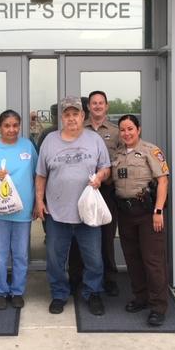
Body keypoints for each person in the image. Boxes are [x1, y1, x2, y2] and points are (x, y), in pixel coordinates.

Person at [34, 96, 111, 316]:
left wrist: (100, 176)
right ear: (61, 118)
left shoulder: (94, 139)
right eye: (66, 114)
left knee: (94, 258)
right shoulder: (49, 141)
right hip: (56, 214)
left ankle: (93, 292)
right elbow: (41, 175)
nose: (71, 118)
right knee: (55, 260)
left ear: (83, 116)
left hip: (88, 213)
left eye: (75, 114)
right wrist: (39, 201)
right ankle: (59, 294)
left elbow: (106, 168)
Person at [112, 114, 170, 326]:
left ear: (139, 129)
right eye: (123, 130)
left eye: (130, 129)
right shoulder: (117, 153)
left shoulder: (150, 151)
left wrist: (158, 211)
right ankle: (141, 297)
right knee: (133, 259)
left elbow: (162, 181)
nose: (126, 133)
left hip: (147, 213)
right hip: (125, 212)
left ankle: (158, 306)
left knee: (153, 261)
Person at [0, 110, 37, 310]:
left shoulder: (28, 146)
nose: (11, 130)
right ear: (0, 127)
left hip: (22, 211)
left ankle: (17, 292)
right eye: (7, 126)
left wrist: (38, 202)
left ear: (19, 126)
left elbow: (38, 176)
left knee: (20, 254)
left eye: (15, 125)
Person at [68, 90, 121, 297]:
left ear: (107, 106)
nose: (97, 106)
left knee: (106, 238)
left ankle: (109, 279)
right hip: (80, 190)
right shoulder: (80, 129)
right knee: (77, 236)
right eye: (94, 103)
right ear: (87, 108)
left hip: (106, 190)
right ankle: (75, 278)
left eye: (101, 103)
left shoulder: (116, 132)